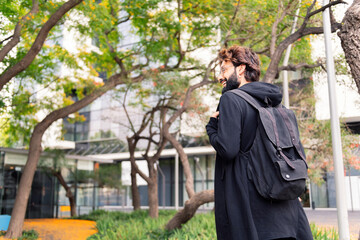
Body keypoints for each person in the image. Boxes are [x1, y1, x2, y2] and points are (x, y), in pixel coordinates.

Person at [206, 45, 313, 240]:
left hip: (250, 208)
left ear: (240, 68)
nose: (220, 77)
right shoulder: (274, 102)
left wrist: (212, 127)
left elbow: (228, 150)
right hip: (285, 207)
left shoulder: (231, 99)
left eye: (224, 70)